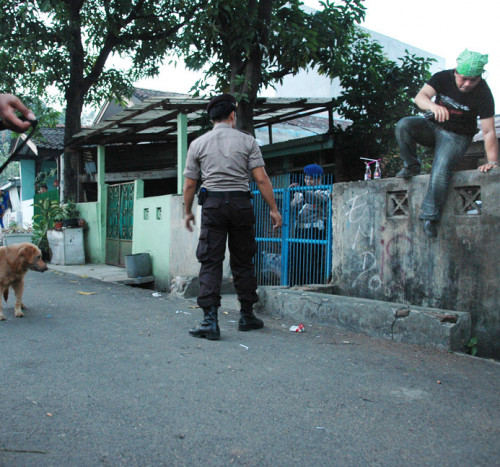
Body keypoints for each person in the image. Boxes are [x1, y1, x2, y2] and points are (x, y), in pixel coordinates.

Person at [183, 94, 282, 340]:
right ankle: (247, 315)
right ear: (231, 116)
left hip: (213, 205)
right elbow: (261, 178)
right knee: (243, 260)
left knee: (210, 261)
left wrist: (187, 212)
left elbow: (189, 184)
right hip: (241, 204)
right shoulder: (248, 141)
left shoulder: (198, 144)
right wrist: (273, 208)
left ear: (212, 118)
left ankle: (210, 321)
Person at [395, 49, 497, 238]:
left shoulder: (484, 92)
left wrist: (492, 161)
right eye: (463, 78)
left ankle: (430, 216)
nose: (467, 84)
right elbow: (420, 97)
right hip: (433, 128)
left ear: (480, 77)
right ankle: (411, 166)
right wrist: (433, 106)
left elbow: (489, 131)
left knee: (440, 168)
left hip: (457, 136)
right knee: (404, 125)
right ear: (455, 72)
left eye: (473, 80)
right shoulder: (442, 77)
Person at [289, 164, 330, 285]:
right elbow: (291, 207)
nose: (308, 181)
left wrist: (303, 192)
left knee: (312, 261)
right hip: (299, 231)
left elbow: (317, 198)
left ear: (319, 179)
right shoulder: (300, 194)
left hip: (314, 232)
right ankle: (295, 283)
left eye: (311, 179)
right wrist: (291, 193)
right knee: (296, 260)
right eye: (306, 178)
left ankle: (312, 284)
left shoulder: (325, 192)